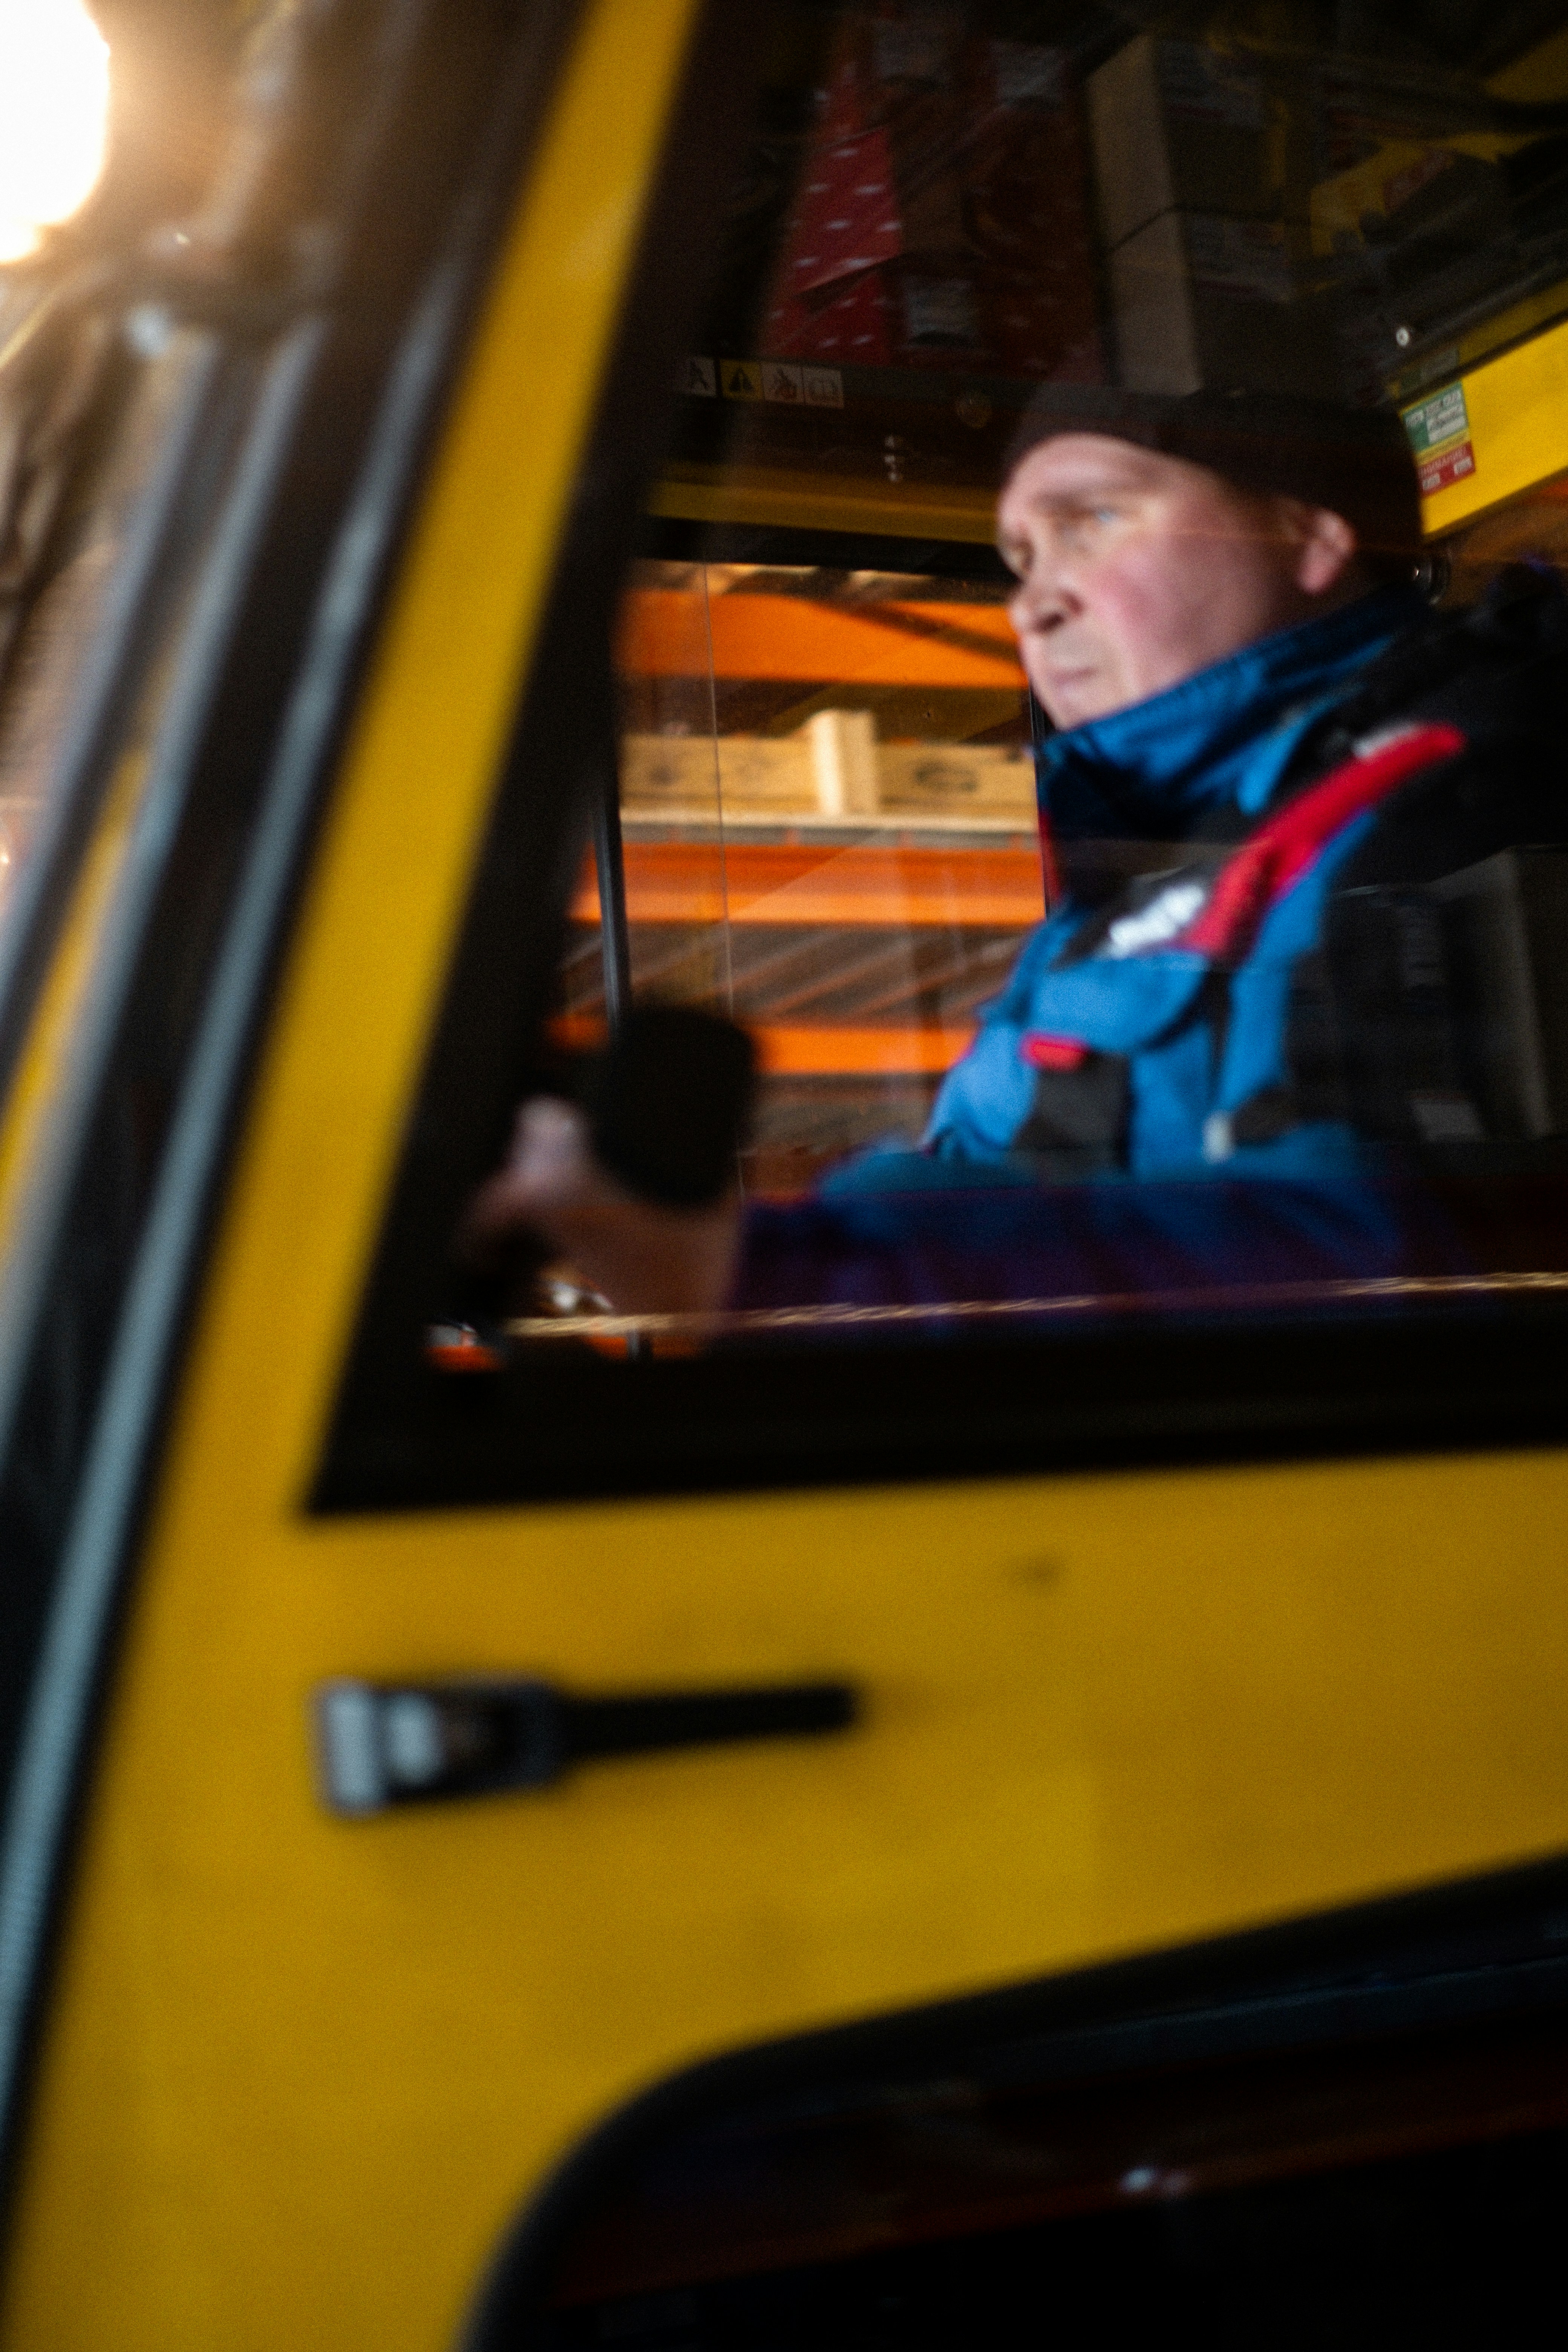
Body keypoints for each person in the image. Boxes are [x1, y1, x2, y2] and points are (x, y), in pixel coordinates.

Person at [465, 388, 1568, 1321]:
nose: (1034, 604)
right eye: (1021, 558)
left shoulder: (1467, 792)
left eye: (1091, 520)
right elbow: (994, 1184)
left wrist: (753, 1271)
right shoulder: (1139, 894)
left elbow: (1404, 1267)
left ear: (1307, 536)